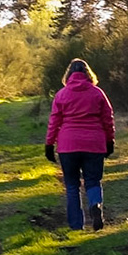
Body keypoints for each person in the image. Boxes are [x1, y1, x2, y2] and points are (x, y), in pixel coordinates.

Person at [44, 58, 115, 231]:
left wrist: (49, 144)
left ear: (68, 75)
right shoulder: (98, 93)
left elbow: (54, 121)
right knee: (93, 181)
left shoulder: (61, 94)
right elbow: (108, 118)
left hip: (68, 145)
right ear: (88, 74)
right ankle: (95, 205)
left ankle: (76, 225)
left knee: (72, 185)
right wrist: (109, 140)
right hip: (94, 143)